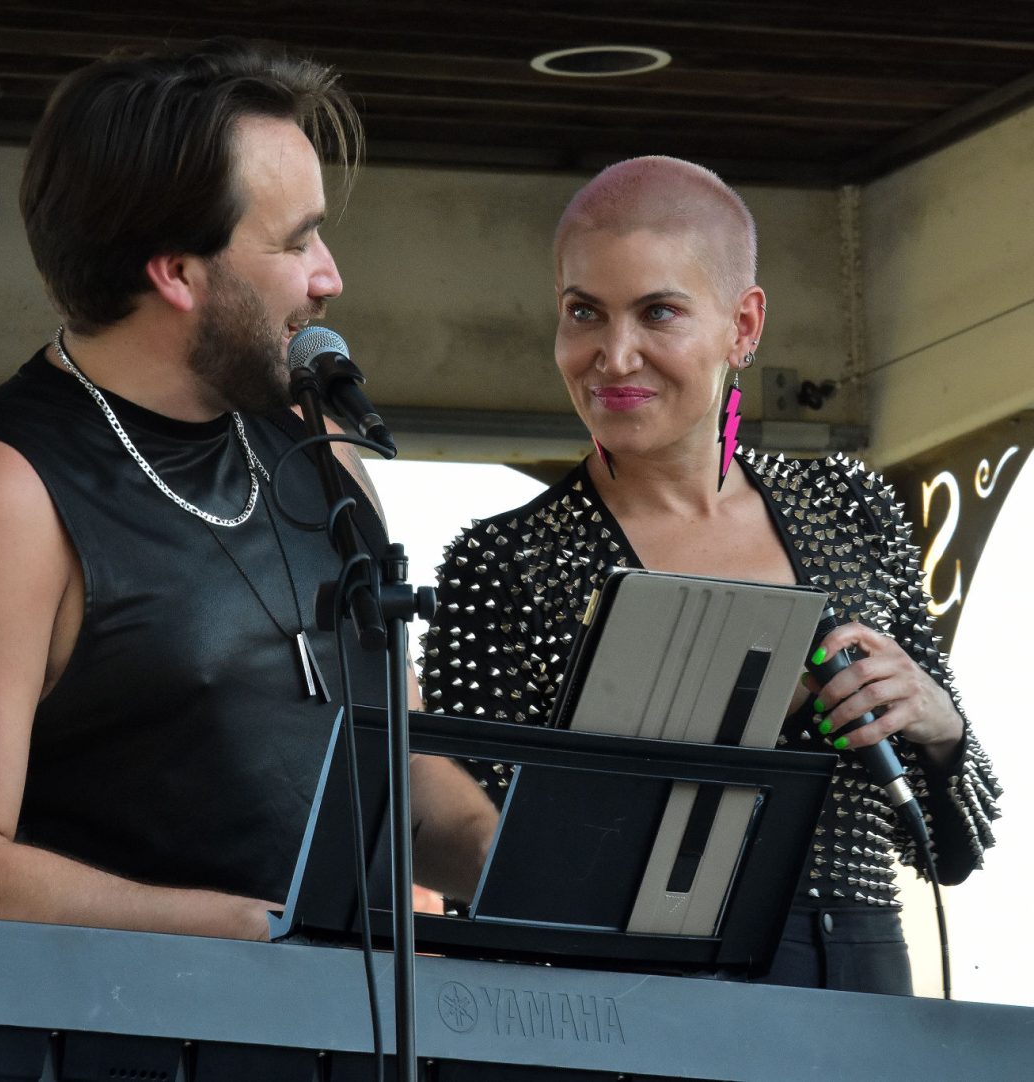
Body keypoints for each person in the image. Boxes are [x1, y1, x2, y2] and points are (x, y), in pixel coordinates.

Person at [0, 38, 495, 941]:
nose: (331, 276)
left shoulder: (320, 449)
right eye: (296, 240)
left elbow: (399, 779)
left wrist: (530, 871)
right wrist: (255, 939)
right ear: (176, 273)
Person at [421, 156, 1001, 993]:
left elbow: (954, 847)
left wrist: (937, 721)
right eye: (584, 312)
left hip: (857, 971)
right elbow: (481, 866)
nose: (614, 356)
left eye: (658, 312)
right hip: (630, 991)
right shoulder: (505, 563)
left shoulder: (850, 507)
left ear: (744, 324)